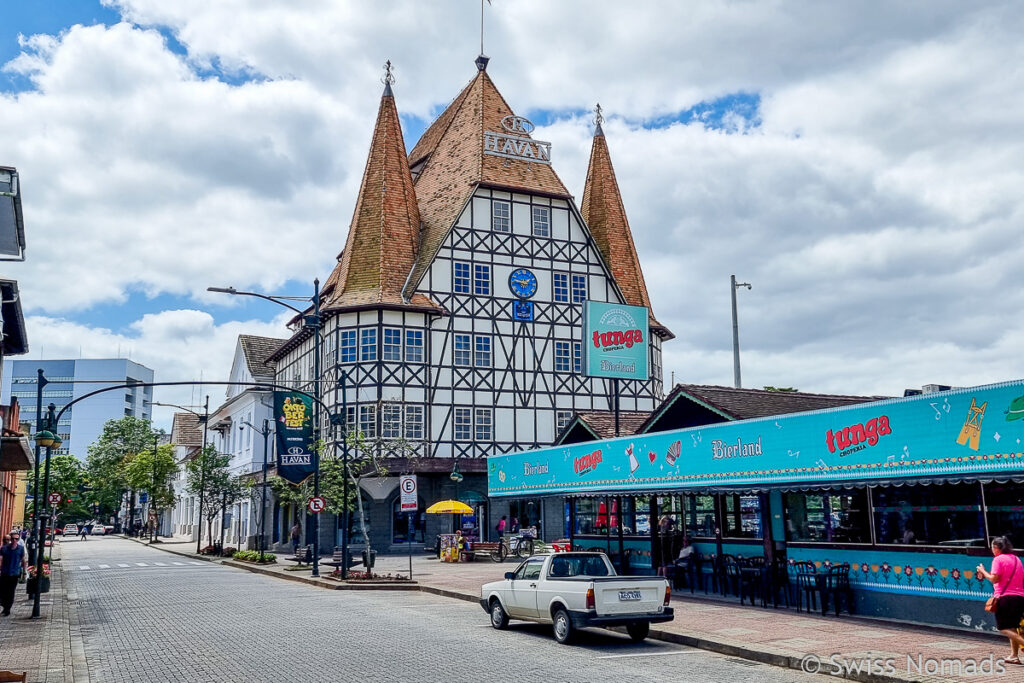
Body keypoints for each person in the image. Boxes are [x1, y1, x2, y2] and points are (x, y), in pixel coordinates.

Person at [977, 536, 1024, 665]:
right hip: (1020, 598)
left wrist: (983, 571)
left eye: (992, 547)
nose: (992, 550)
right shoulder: (1016, 559)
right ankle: (1014, 656)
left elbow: (994, 579)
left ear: (996, 548)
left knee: (1003, 628)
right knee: (1013, 627)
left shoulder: (998, 560)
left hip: (1005, 598)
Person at [1, 531, 27, 616]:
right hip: (5, 573)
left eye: (16, 539)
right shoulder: (4, 548)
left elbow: (23, 560)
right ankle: (5, 606)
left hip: (15, 573)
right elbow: (0, 559)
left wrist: (24, 572)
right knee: (3, 591)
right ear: (10, 539)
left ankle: (7, 608)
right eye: (13, 539)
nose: (14, 540)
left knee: (11, 591)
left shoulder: (20, 548)